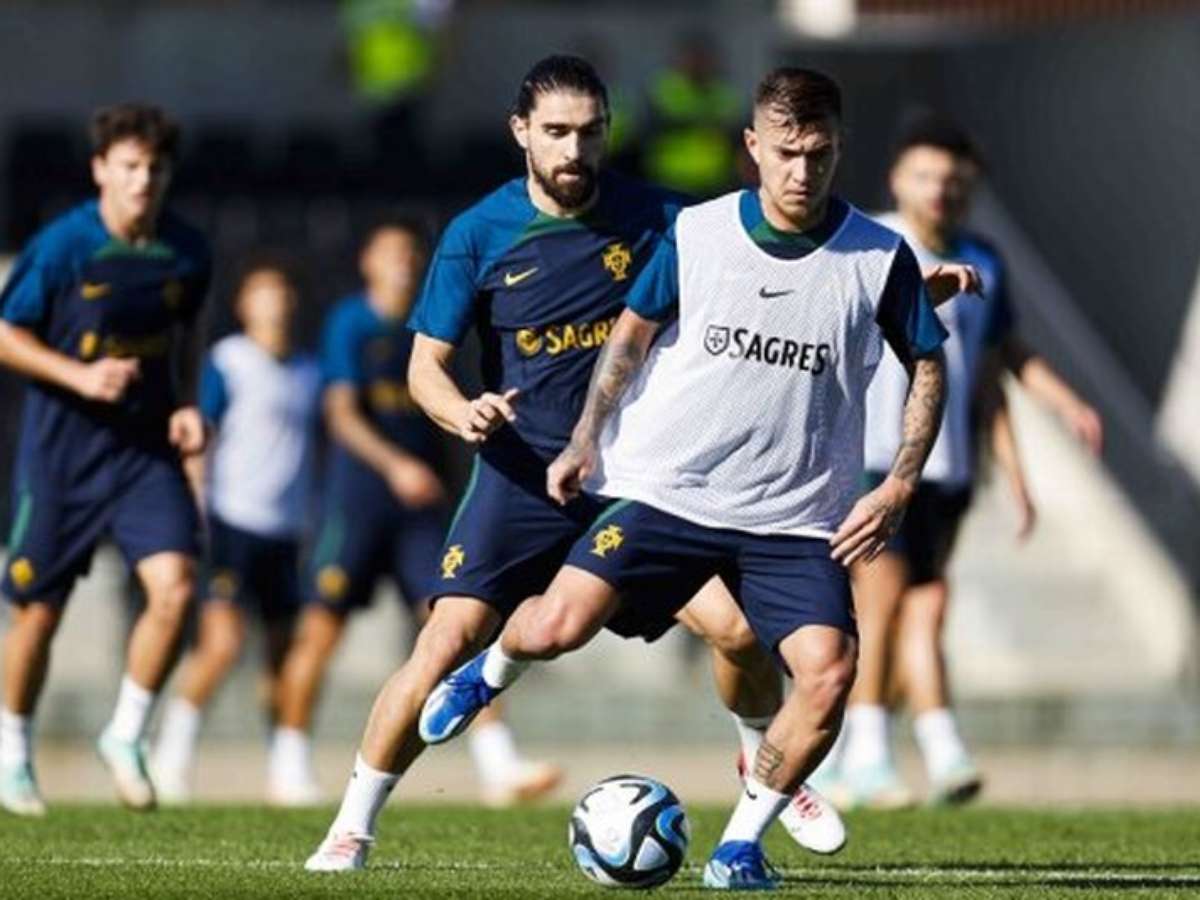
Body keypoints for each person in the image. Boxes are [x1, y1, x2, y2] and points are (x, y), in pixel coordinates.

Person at [302, 56, 930, 874]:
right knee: (445, 639)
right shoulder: (477, 234)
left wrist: (910, 288)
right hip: (525, 474)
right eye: (556, 132)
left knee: (740, 633)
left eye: (590, 132)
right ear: (520, 133)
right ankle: (352, 824)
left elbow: (782, 258)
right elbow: (426, 364)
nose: (574, 150)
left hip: (637, 480)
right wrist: (462, 411)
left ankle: (763, 763)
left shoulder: (666, 216)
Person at [818, 113, 1103, 809]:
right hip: (874, 461)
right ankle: (871, 756)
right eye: (926, 176)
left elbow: (995, 366)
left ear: (969, 185)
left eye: (952, 179)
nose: (939, 190)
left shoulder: (986, 262)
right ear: (897, 179)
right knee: (880, 609)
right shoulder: (868, 246)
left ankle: (917, 753)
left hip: (947, 471)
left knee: (929, 608)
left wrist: (1058, 415)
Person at [269, 218, 559, 807]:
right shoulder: (351, 322)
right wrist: (394, 465)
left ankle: (498, 764)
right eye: (391, 252)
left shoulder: (433, 326)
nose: (404, 263)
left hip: (421, 510)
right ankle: (288, 759)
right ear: (367, 263)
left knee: (458, 632)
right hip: (357, 505)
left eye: (411, 254)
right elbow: (342, 414)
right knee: (322, 631)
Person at [0, 104, 211, 815]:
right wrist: (79, 375)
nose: (142, 180)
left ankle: (125, 735)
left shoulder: (187, 251)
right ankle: (13, 754)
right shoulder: (63, 247)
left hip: (144, 450)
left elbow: (185, 341)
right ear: (100, 171)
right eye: (128, 166)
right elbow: (6, 335)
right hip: (63, 453)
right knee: (38, 613)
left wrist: (185, 403)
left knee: (177, 587)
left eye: (155, 168)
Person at [149, 258, 321, 803]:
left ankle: (286, 769)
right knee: (222, 645)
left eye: (282, 292)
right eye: (263, 292)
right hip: (230, 523)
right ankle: (169, 757)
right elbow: (202, 435)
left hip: (286, 532)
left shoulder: (309, 372)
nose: (275, 303)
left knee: (283, 655)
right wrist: (196, 508)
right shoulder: (230, 362)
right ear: (245, 305)